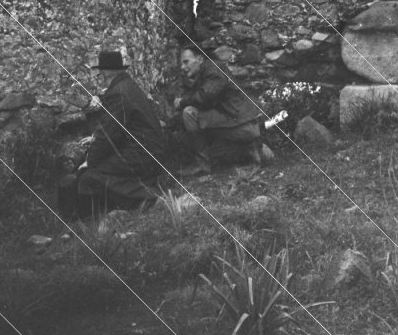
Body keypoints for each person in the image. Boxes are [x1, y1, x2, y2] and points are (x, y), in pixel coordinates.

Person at [57, 50, 165, 220]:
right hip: (148, 150)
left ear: (105, 72)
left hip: (144, 155)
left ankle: (146, 197)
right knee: (93, 169)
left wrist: (89, 161)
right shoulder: (126, 85)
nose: (99, 76)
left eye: (100, 72)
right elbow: (119, 127)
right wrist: (94, 141)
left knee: (90, 176)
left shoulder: (119, 92)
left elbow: (109, 135)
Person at [175, 47, 264, 176]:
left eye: (186, 61)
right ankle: (253, 149)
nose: (182, 67)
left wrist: (182, 102)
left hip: (243, 125)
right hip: (241, 124)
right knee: (216, 153)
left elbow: (205, 96)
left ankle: (202, 164)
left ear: (200, 59)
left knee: (189, 113)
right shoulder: (207, 72)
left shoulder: (213, 70)